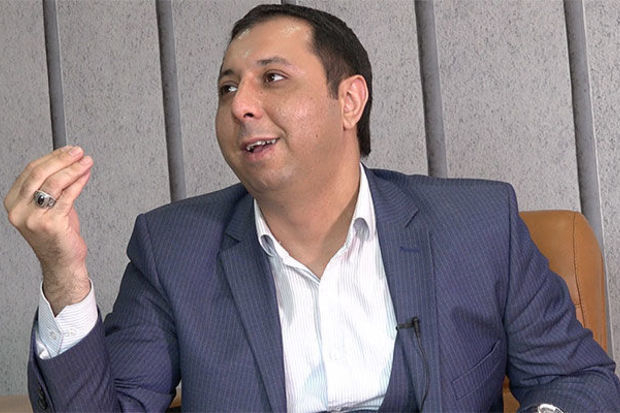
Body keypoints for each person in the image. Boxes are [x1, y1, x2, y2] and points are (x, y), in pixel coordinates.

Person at [4, 4, 620, 412]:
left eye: (272, 78)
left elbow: (578, 382)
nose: (240, 105)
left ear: (349, 101)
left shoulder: (477, 224)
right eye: (227, 88)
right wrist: (63, 270)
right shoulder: (173, 248)